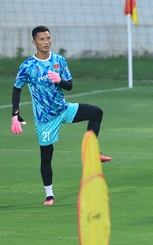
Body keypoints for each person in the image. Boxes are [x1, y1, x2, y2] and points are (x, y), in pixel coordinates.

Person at [10, 25, 111, 206]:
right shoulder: (28, 66)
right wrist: (15, 114)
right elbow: (17, 89)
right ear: (34, 42)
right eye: (42, 39)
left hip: (63, 109)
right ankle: (49, 195)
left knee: (96, 113)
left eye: (48, 38)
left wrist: (60, 80)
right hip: (45, 119)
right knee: (47, 156)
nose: (46, 42)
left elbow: (70, 86)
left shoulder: (59, 60)